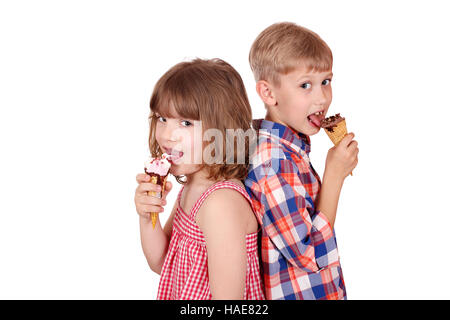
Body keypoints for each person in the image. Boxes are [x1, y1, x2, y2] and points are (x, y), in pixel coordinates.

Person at [244, 22, 358, 299]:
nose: (322, 98)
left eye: (326, 82)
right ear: (268, 94)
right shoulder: (272, 162)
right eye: (305, 85)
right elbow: (309, 254)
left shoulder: (290, 150)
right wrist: (334, 177)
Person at [134, 58, 265, 300]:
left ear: (221, 130)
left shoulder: (220, 203)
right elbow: (162, 263)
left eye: (185, 123)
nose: (167, 135)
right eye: (162, 119)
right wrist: (147, 217)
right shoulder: (194, 185)